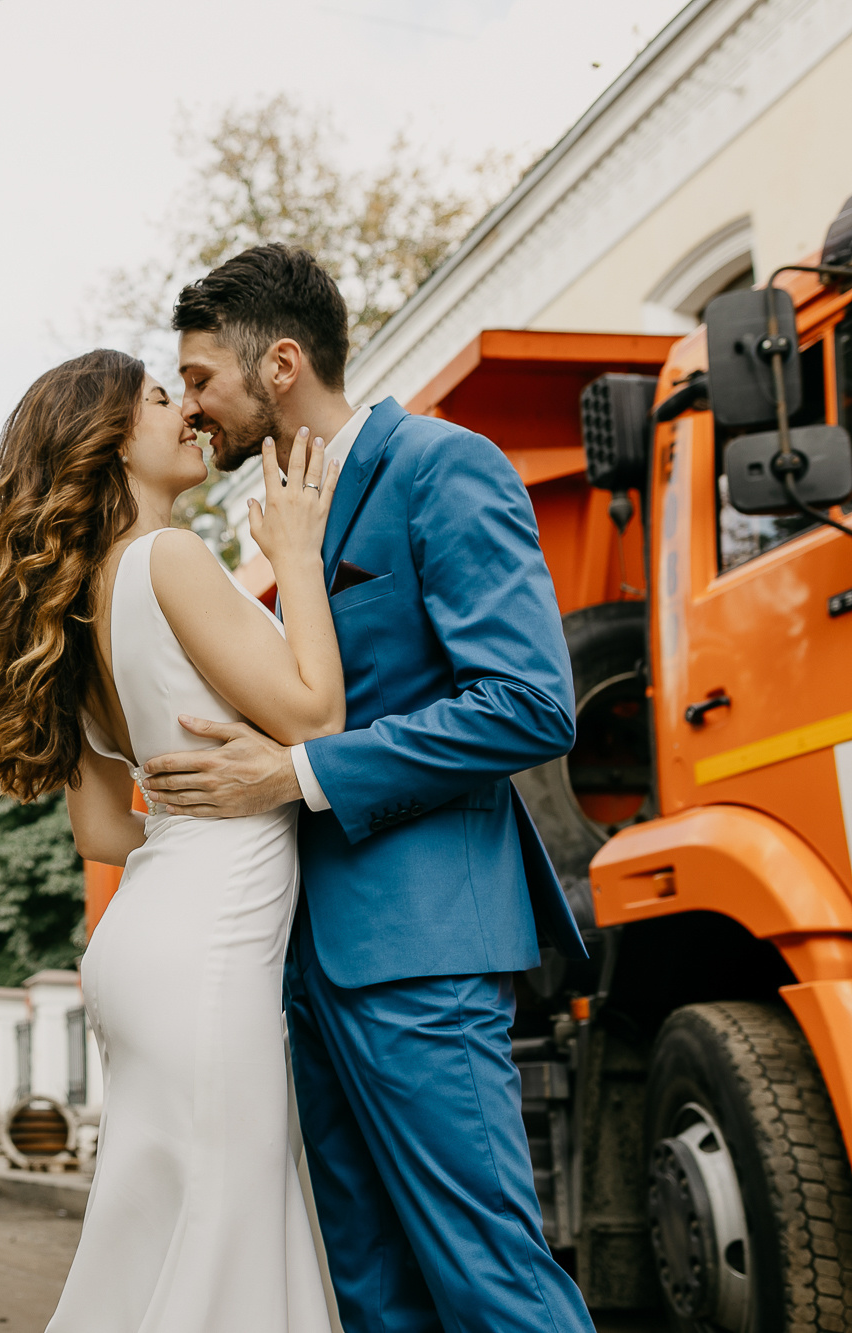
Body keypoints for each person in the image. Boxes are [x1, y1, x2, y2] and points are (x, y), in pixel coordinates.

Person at [140, 243, 593, 1333]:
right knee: (374, 1297)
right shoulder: (281, 527)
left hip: (422, 952)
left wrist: (297, 771)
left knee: (492, 1284)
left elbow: (528, 703)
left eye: (199, 377)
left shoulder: (442, 466)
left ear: (280, 364)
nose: (188, 405)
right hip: (308, 965)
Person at [0, 346, 345, 1329]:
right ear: (115, 438)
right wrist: (296, 556)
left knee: (163, 1235)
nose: (188, 414)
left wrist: (183, 816)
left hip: (141, 944)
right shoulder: (168, 557)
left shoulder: (73, 605)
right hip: (207, 951)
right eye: (163, 398)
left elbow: (98, 828)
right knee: (226, 1234)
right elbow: (316, 718)